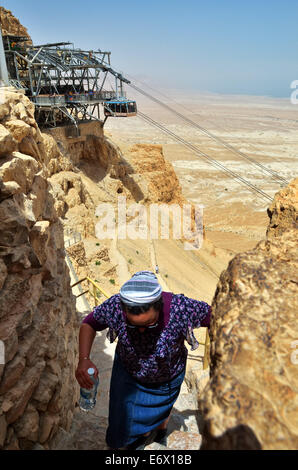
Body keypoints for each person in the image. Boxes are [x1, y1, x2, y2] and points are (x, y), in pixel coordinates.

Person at [75, 271, 211, 450]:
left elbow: (219, 317)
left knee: (160, 412)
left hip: (166, 378)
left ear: (160, 306)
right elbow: (89, 323)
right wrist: (84, 359)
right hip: (128, 374)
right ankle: (134, 440)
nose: (141, 331)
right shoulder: (115, 306)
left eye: (150, 324)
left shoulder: (180, 308)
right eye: (133, 325)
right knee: (121, 420)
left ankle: (160, 430)